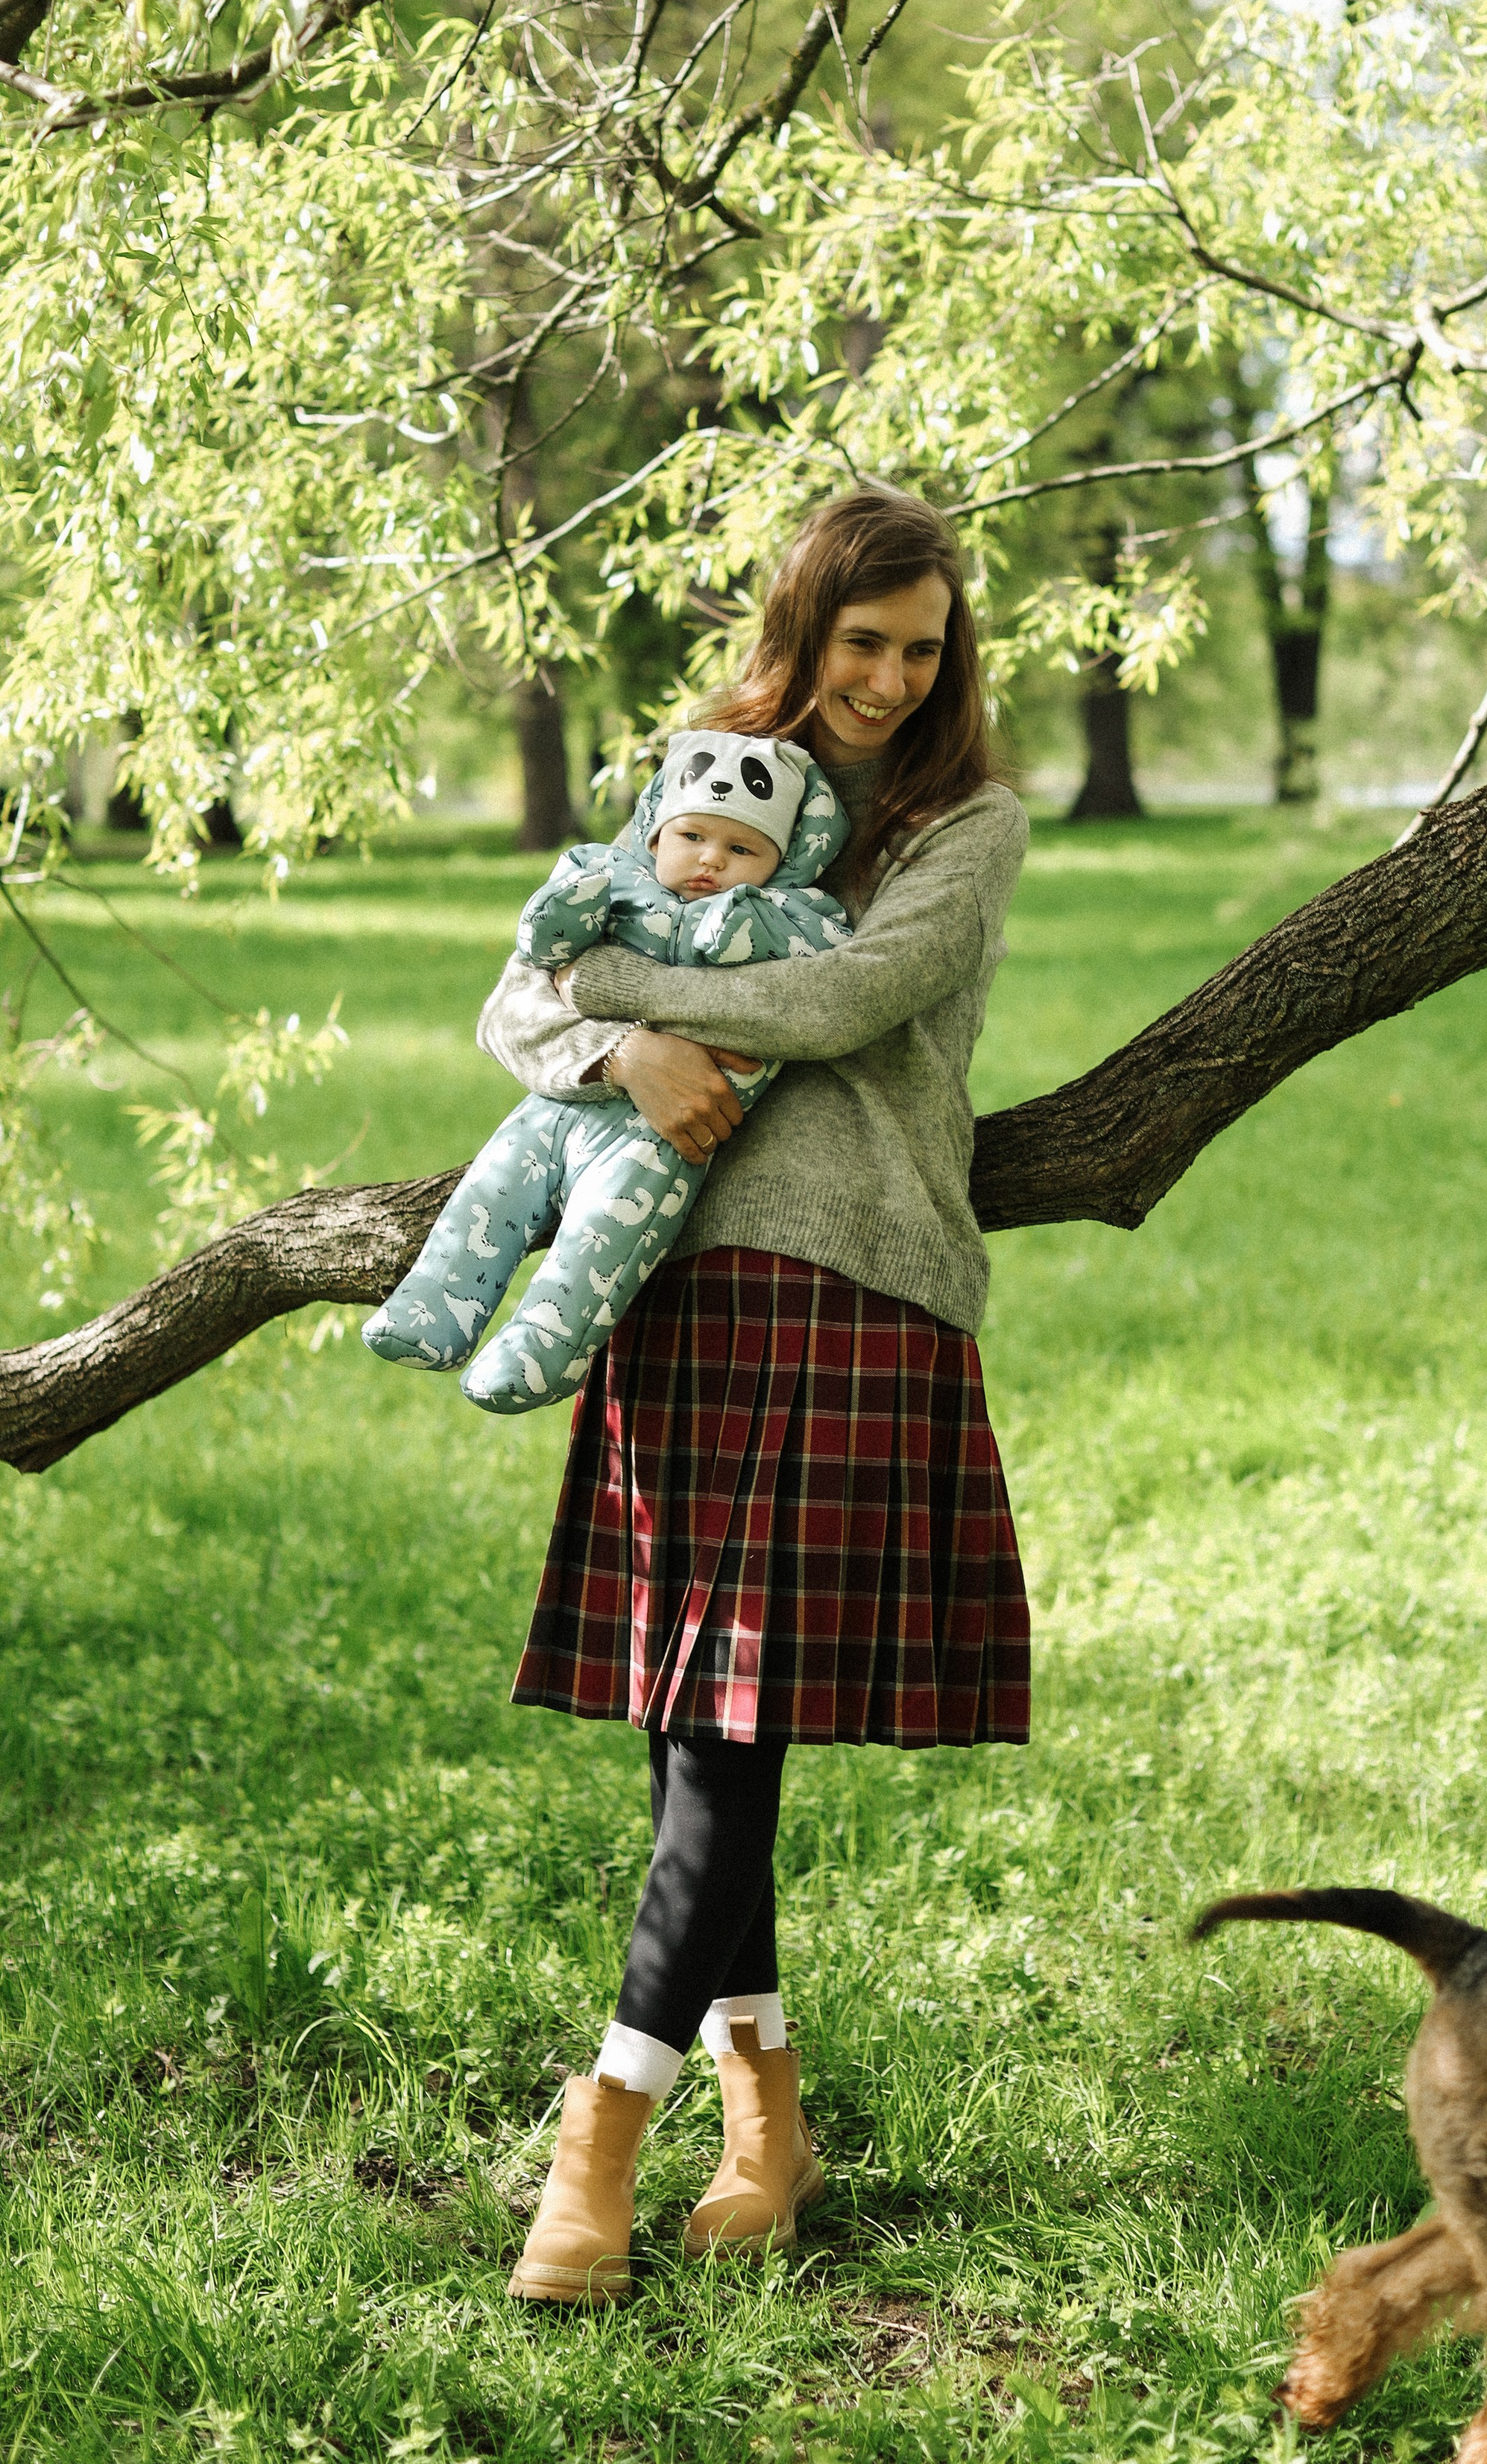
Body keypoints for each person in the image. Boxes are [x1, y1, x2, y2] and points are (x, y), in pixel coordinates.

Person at [472, 485, 1032, 2301]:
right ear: (802, 635)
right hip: (673, 1284)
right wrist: (620, 1040)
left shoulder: (964, 821)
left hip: (850, 1280)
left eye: (920, 647)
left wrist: (608, 979)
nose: (887, 677)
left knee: (723, 1737)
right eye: (860, 642)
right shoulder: (701, 770)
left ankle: (601, 2144)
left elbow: (853, 992)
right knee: (696, 1737)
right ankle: (765, 2124)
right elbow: (514, 1000)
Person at [359, 732, 851, 1411]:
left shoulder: (795, 913)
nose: (711, 860)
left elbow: (830, 962)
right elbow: (538, 957)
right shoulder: (615, 881)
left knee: (602, 1241)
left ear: (783, 862)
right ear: (655, 835)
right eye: (694, 836)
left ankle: (541, 1354)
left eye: (742, 850)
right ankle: (432, 1312)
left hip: (663, 1130)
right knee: (492, 1190)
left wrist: (739, 926)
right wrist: (568, 915)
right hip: (567, 1093)